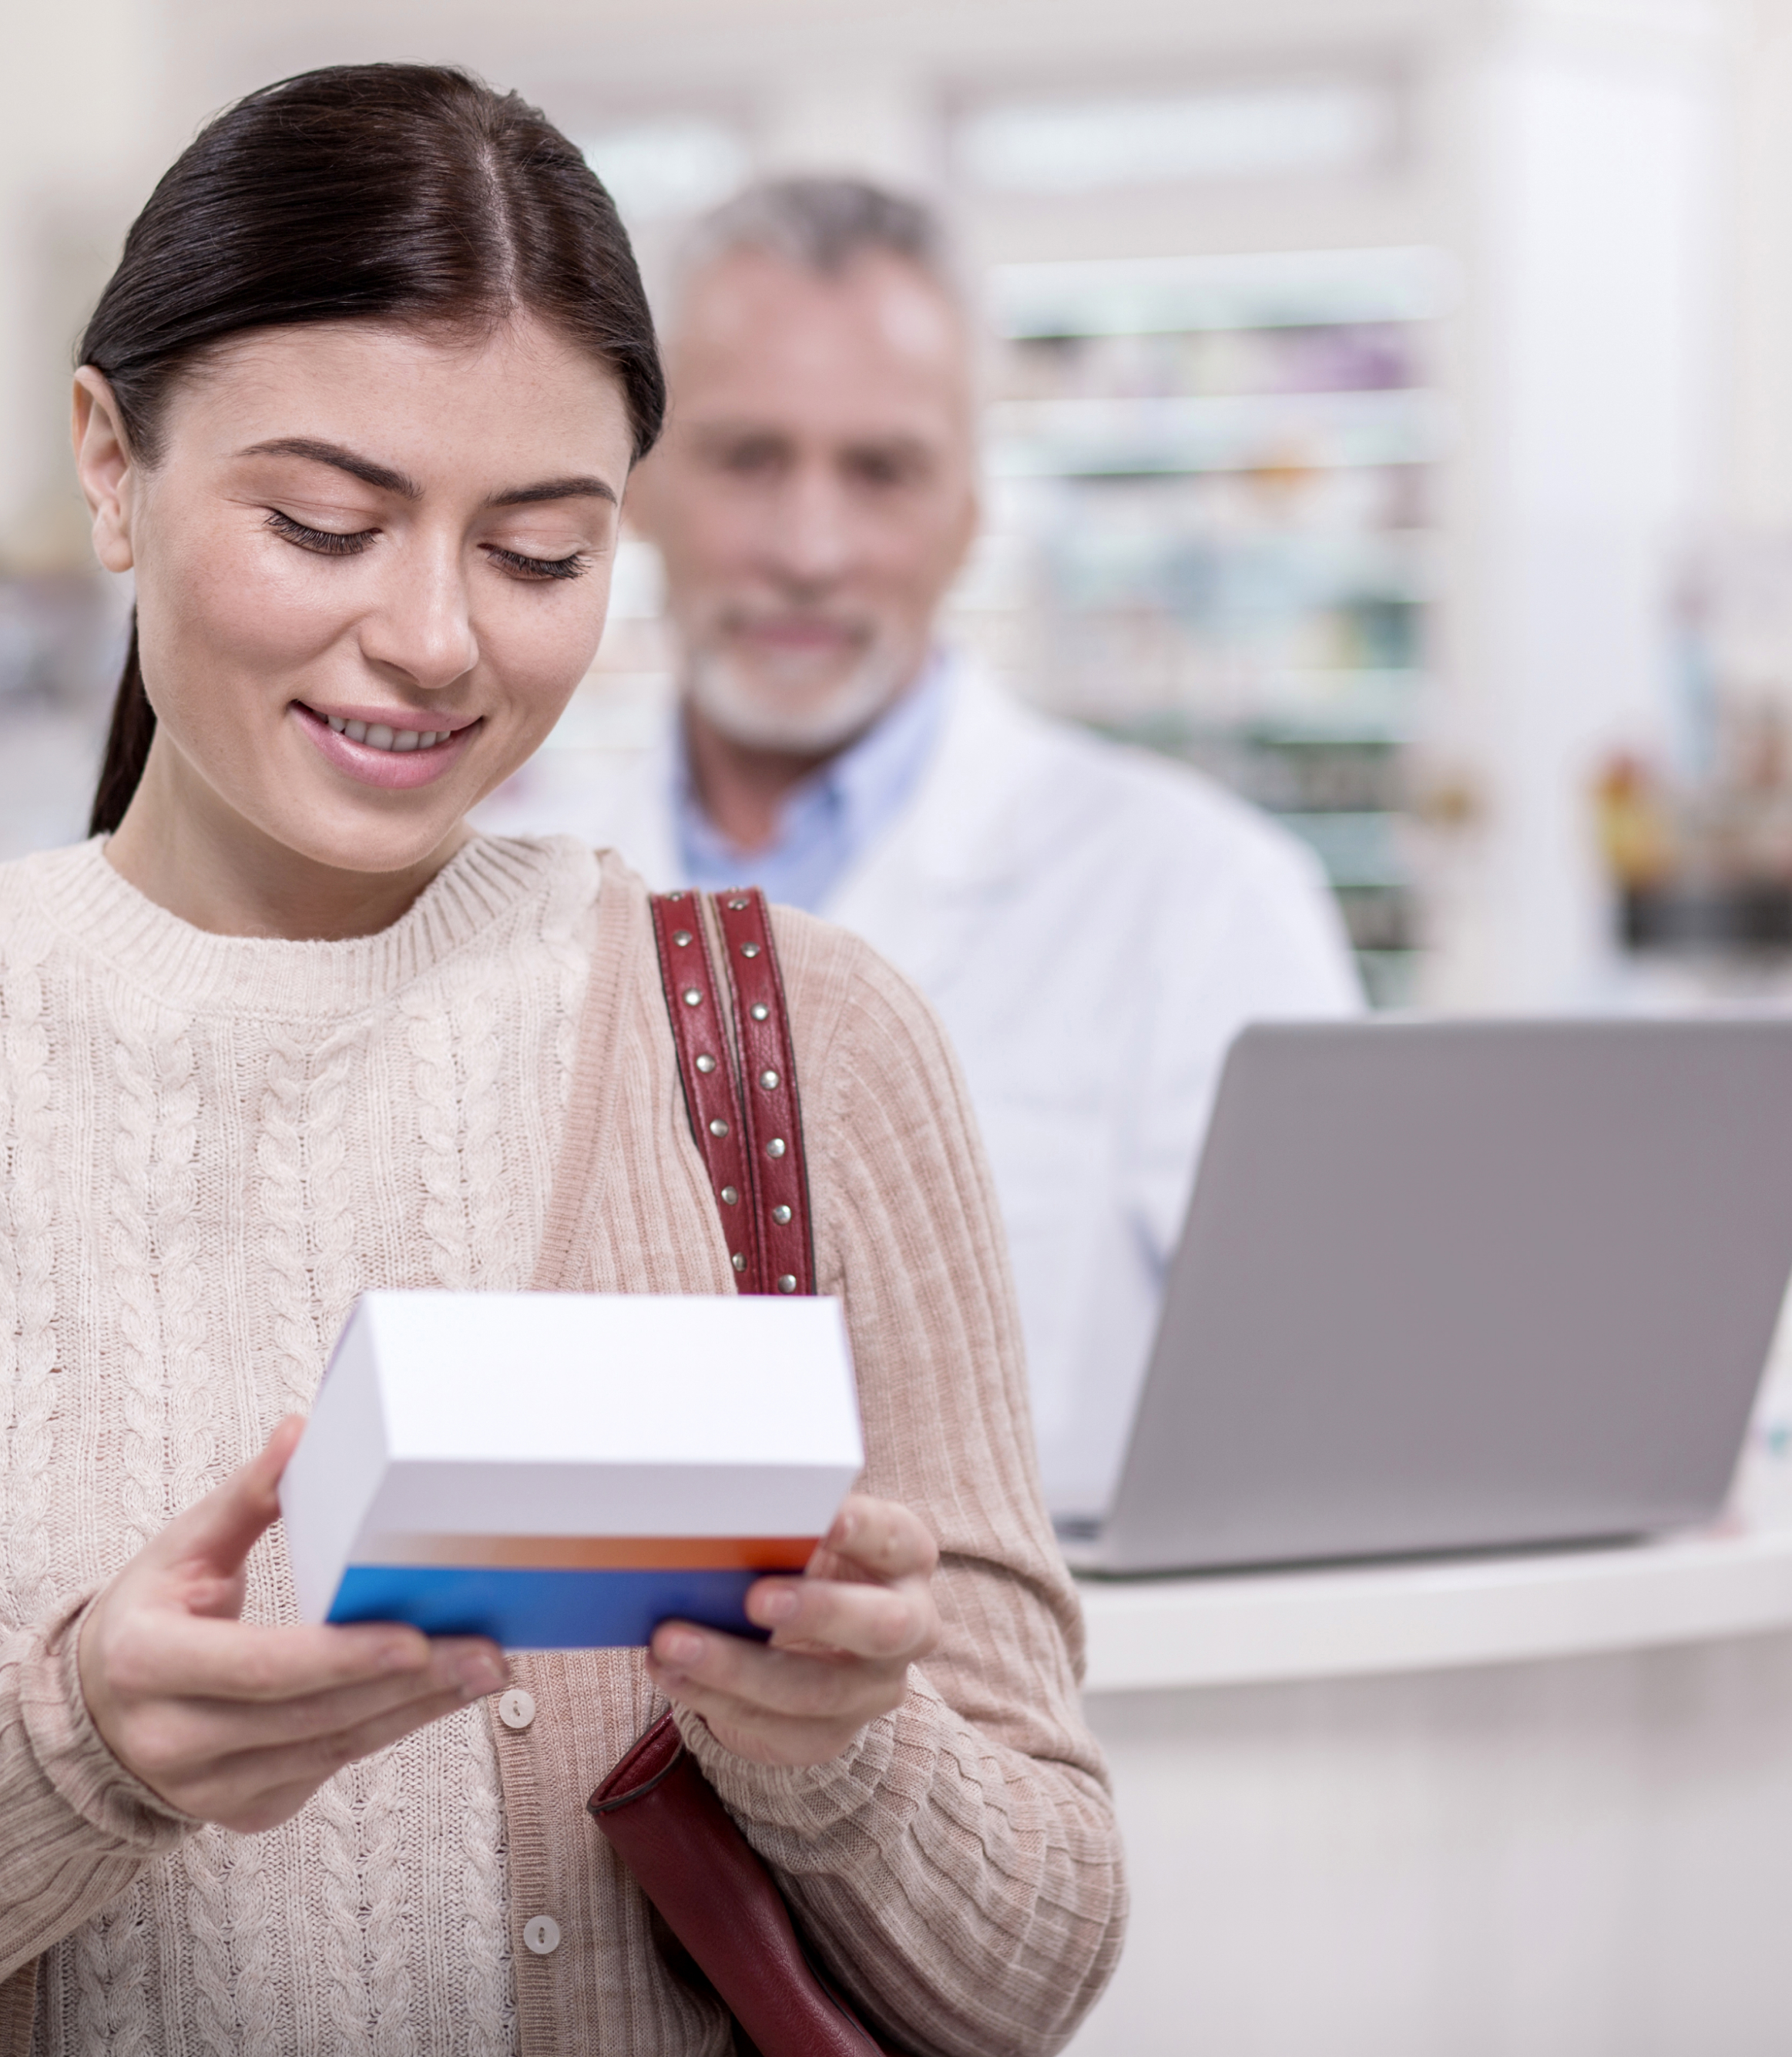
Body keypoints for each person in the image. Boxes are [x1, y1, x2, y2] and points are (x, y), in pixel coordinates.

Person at [0, 69, 1120, 2057]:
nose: (436, 637)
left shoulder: (810, 1041)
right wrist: (76, 1752)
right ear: (108, 464)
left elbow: (1038, 1958)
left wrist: (840, 1753)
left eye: (542, 553)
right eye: (323, 522)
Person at [483, 180, 1364, 1519]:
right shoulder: (486, 876)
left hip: (1067, 1698)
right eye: (747, 459)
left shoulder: (1201, 895)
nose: (808, 549)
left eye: (881, 471)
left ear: (971, 508)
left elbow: (1334, 1421)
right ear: (634, 489)